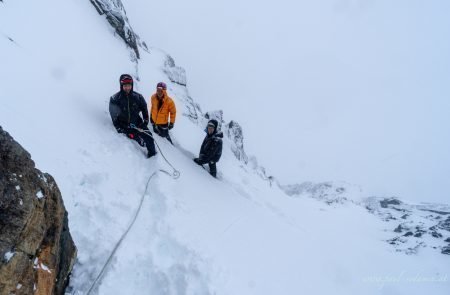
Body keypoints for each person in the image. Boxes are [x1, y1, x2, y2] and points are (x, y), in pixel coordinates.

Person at [109, 74, 156, 158]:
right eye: (125, 86)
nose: (127, 88)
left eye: (129, 85)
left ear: (132, 85)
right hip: (124, 125)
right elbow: (113, 115)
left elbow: (144, 110)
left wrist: (145, 122)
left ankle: (152, 157)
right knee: (132, 135)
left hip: (137, 123)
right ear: (121, 85)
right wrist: (118, 127)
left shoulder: (138, 97)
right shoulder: (115, 99)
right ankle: (137, 138)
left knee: (149, 138)